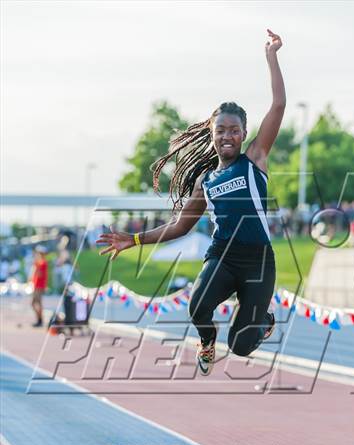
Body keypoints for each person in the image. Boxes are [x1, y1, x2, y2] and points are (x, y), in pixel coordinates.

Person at [97, 29, 286, 375]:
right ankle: (207, 341)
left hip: (258, 261)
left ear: (244, 134)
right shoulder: (207, 180)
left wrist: (271, 57)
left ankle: (263, 320)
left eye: (233, 130)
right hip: (223, 256)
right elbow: (181, 226)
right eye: (220, 131)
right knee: (198, 308)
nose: (227, 135)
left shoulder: (255, 159)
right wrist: (134, 240)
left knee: (242, 347)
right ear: (211, 136)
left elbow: (278, 105)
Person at [29, 246, 49, 327]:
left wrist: (36, 269)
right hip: (36, 285)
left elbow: (40, 274)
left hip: (40, 286)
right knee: (37, 303)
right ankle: (39, 319)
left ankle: (40, 319)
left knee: (35, 303)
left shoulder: (43, 263)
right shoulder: (38, 263)